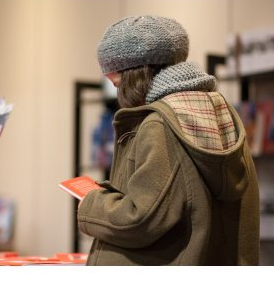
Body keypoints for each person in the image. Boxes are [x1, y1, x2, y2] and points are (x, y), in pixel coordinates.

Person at [77, 15, 259, 265]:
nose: (116, 89)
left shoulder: (160, 124)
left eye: (115, 80)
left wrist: (92, 203)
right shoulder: (221, 113)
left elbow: (141, 218)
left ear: (134, 74)